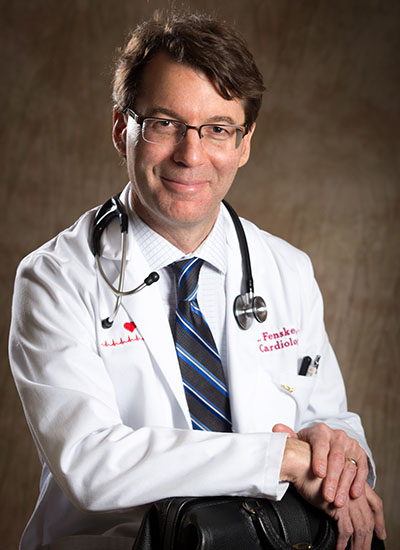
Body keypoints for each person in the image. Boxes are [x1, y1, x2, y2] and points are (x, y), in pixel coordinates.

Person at [9, 10, 386, 550]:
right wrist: (278, 458)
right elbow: (91, 463)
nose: (191, 155)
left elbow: (330, 419)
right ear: (122, 129)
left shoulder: (287, 269)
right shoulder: (55, 278)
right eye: (165, 123)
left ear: (244, 143)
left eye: (218, 129)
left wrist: (340, 455)